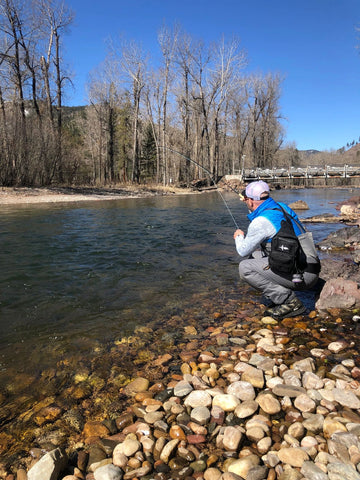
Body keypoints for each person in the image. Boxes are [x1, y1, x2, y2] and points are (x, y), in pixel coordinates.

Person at [233, 180, 320, 319]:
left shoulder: (261, 221)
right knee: (255, 255)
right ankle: (281, 293)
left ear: (250, 201)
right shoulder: (282, 207)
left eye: (246, 200)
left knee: (245, 267)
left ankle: (289, 302)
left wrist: (239, 236)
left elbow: (242, 251)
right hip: (310, 264)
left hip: (303, 276)